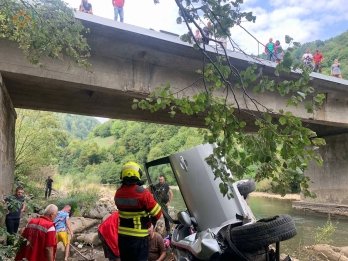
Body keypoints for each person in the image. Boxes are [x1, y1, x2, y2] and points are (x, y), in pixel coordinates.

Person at [114, 161, 162, 261]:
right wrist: (151, 224)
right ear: (137, 174)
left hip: (123, 237)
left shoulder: (118, 193)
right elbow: (157, 213)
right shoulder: (143, 193)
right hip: (139, 238)